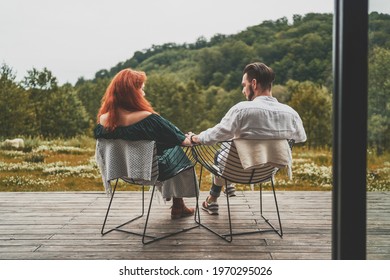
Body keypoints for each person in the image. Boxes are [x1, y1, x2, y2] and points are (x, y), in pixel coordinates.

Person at [188, 62, 307, 215]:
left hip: (236, 169)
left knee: (221, 153)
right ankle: (221, 191)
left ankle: (213, 198)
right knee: (230, 147)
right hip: (268, 170)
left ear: (254, 83)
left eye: (244, 85)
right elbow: (300, 138)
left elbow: (216, 134)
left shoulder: (242, 109)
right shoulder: (291, 113)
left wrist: (195, 138)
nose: (243, 90)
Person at [94, 68, 196, 219]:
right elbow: (183, 141)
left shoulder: (104, 119)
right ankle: (178, 204)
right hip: (149, 172)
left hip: (120, 171)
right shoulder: (148, 118)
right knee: (175, 149)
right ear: (133, 93)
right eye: (141, 89)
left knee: (167, 151)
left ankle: (178, 205)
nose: (144, 93)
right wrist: (193, 138)